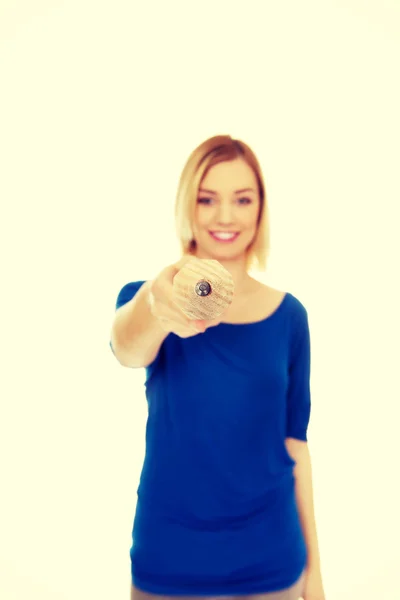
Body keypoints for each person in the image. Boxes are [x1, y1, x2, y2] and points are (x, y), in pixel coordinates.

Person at [110, 135, 321, 600]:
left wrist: (316, 575)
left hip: (272, 565)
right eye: (208, 199)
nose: (225, 216)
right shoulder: (148, 298)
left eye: (242, 199)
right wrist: (157, 304)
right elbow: (127, 348)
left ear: (260, 209)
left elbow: (296, 447)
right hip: (169, 563)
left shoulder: (290, 318)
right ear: (189, 206)